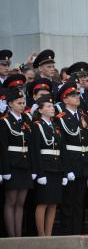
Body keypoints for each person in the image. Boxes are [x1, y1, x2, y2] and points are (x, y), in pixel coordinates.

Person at [55, 82, 88, 235]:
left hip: (84, 164)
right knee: (68, 204)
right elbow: (62, 146)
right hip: (71, 163)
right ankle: (68, 236)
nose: (77, 97)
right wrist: (67, 170)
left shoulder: (83, 115)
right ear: (65, 100)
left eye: (77, 94)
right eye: (73, 95)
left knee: (80, 203)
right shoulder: (60, 118)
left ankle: (78, 234)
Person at [0, 88, 34, 237]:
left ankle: (19, 236)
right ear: (10, 104)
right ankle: (11, 236)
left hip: (24, 164)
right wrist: (4, 170)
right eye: (19, 103)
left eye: (23, 103)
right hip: (12, 166)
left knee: (21, 202)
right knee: (11, 201)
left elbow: (30, 145)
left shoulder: (26, 120)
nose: (22, 105)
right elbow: (2, 148)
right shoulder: (4, 122)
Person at [32, 95, 65, 236]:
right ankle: (41, 236)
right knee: (43, 202)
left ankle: (49, 235)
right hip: (45, 168)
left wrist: (64, 172)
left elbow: (61, 150)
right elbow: (35, 151)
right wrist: (40, 173)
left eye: (52, 106)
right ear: (40, 110)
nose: (52, 108)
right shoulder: (37, 126)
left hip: (56, 167)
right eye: (48, 106)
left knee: (53, 203)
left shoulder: (55, 126)